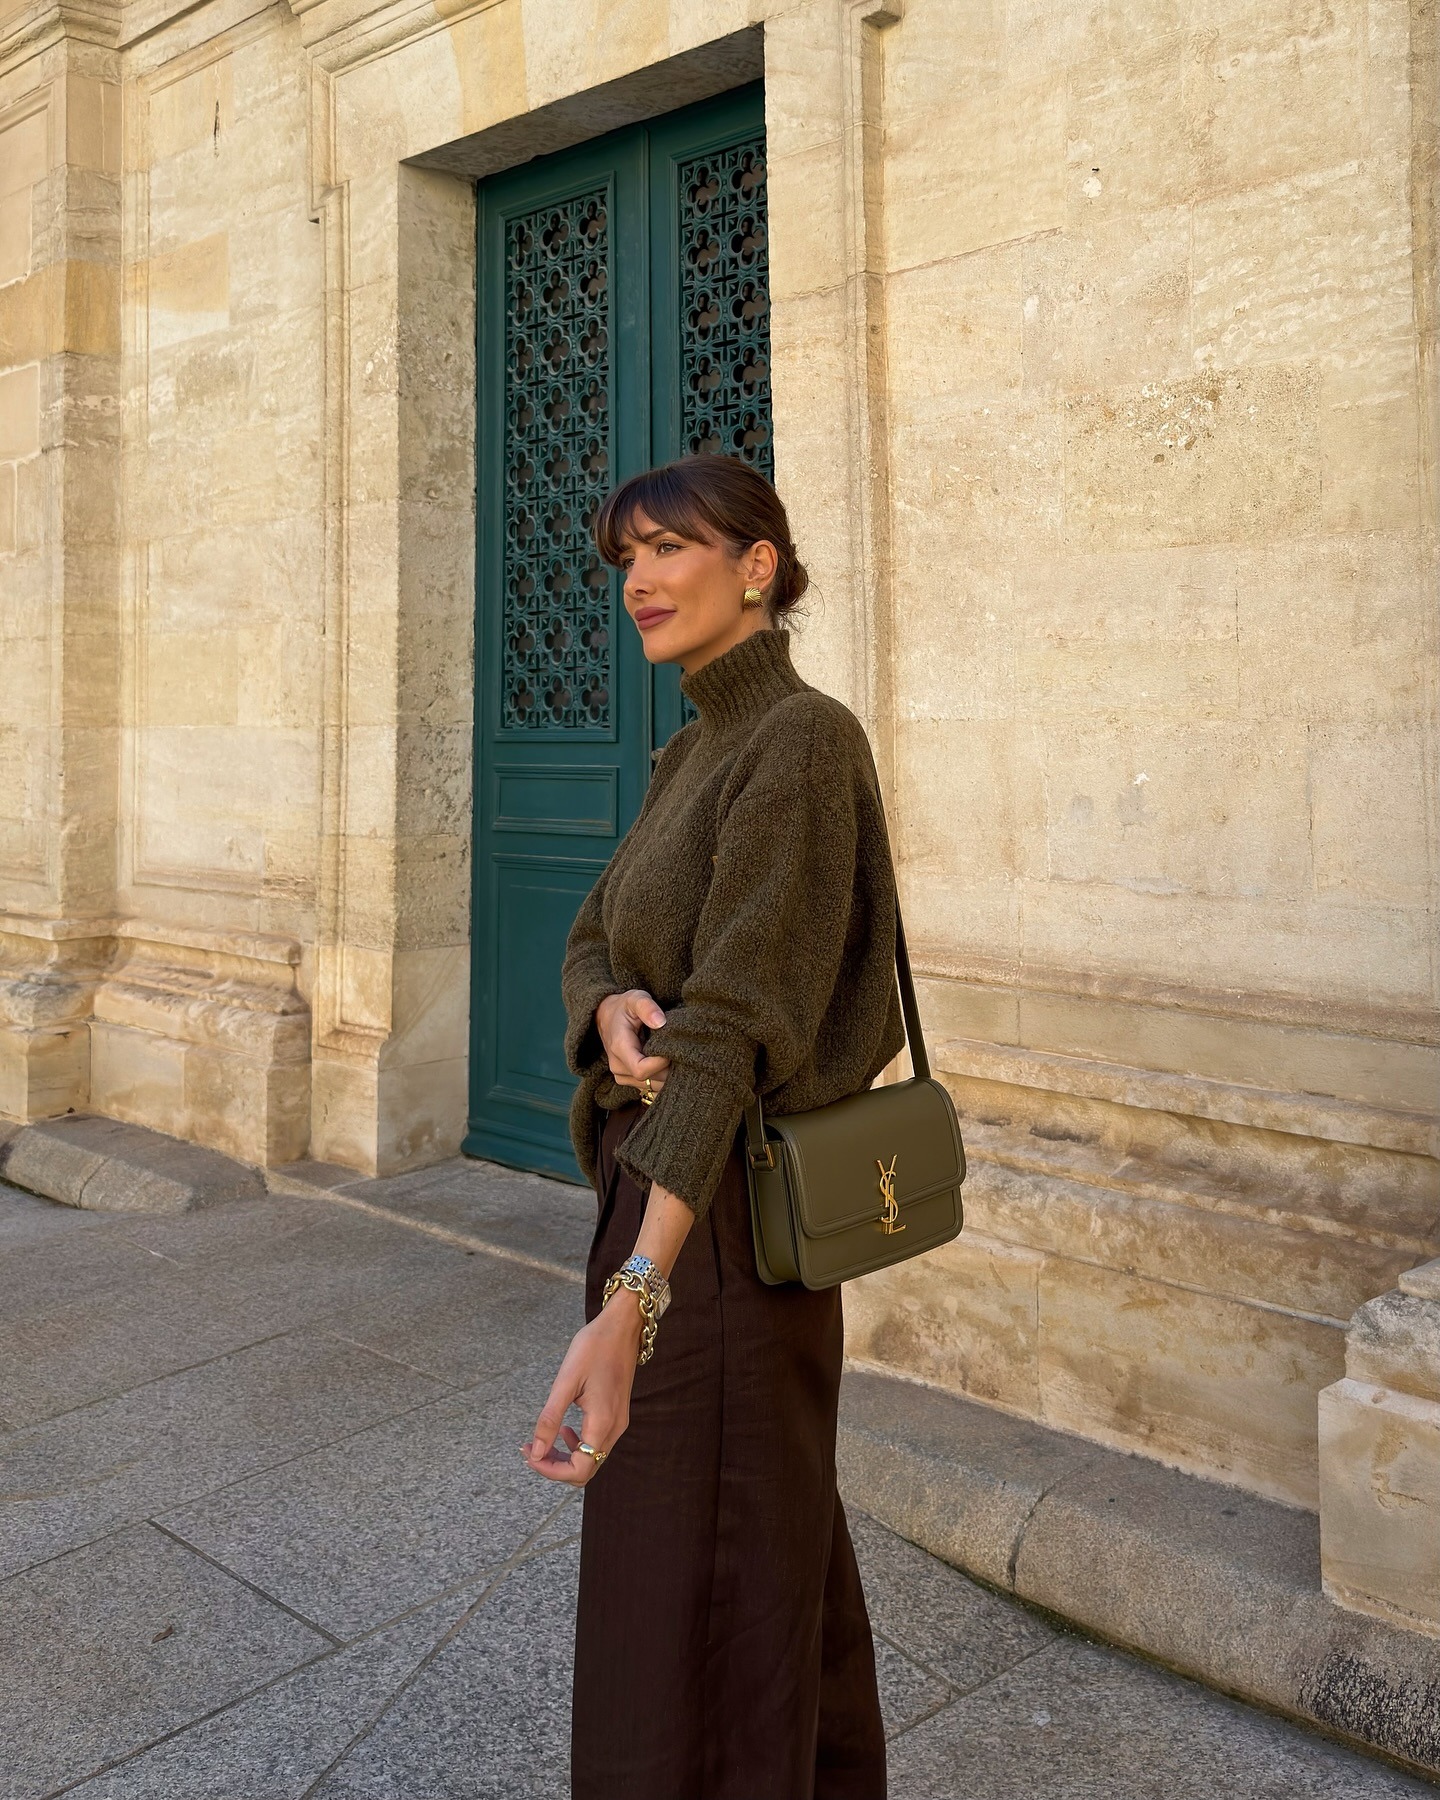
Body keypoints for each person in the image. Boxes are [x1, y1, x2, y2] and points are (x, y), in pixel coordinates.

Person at [521, 453, 907, 1800]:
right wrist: (611, 1006)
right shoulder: (693, 746)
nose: (639, 579)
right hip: (667, 1200)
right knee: (743, 1571)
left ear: (757, 565)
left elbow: (739, 1027)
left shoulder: (801, 741)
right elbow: (590, 933)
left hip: (720, 1234)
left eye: (669, 547)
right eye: (625, 555)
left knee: (693, 1600)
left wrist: (635, 1298)